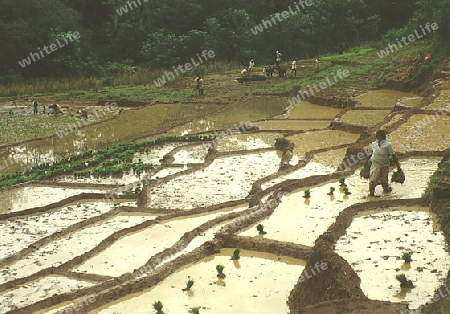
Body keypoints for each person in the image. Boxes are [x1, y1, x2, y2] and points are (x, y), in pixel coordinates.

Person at [364, 130, 402, 196]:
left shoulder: (388, 145)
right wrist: (366, 162)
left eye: (382, 138)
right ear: (377, 137)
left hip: (385, 165)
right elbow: (369, 154)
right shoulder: (373, 145)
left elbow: (393, 156)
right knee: (372, 181)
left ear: (384, 138)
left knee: (384, 181)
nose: (380, 140)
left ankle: (386, 190)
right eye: (379, 138)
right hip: (375, 165)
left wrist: (398, 166)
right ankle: (371, 194)